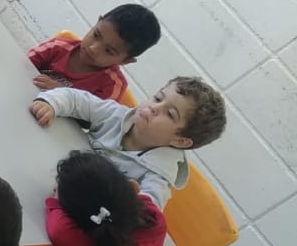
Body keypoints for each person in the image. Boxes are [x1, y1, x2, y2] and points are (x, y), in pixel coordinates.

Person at [30, 76, 225, 206]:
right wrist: (52, 104)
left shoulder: (157, 177)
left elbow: (143, 214)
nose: (154, 107)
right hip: (45, 175)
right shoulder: (116, 115)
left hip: (73, 208)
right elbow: (76, 99)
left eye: (169, 114)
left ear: (180, 140)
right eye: (158, 98)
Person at [29, 4, 160, 102]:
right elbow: (22, 64)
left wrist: (63, 93)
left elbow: (93, 119)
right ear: (98, 22)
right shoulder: (58, 46)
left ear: (125, 61)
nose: (93, 48)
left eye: (108, 51)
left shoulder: (112, 84)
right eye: (96, 35)